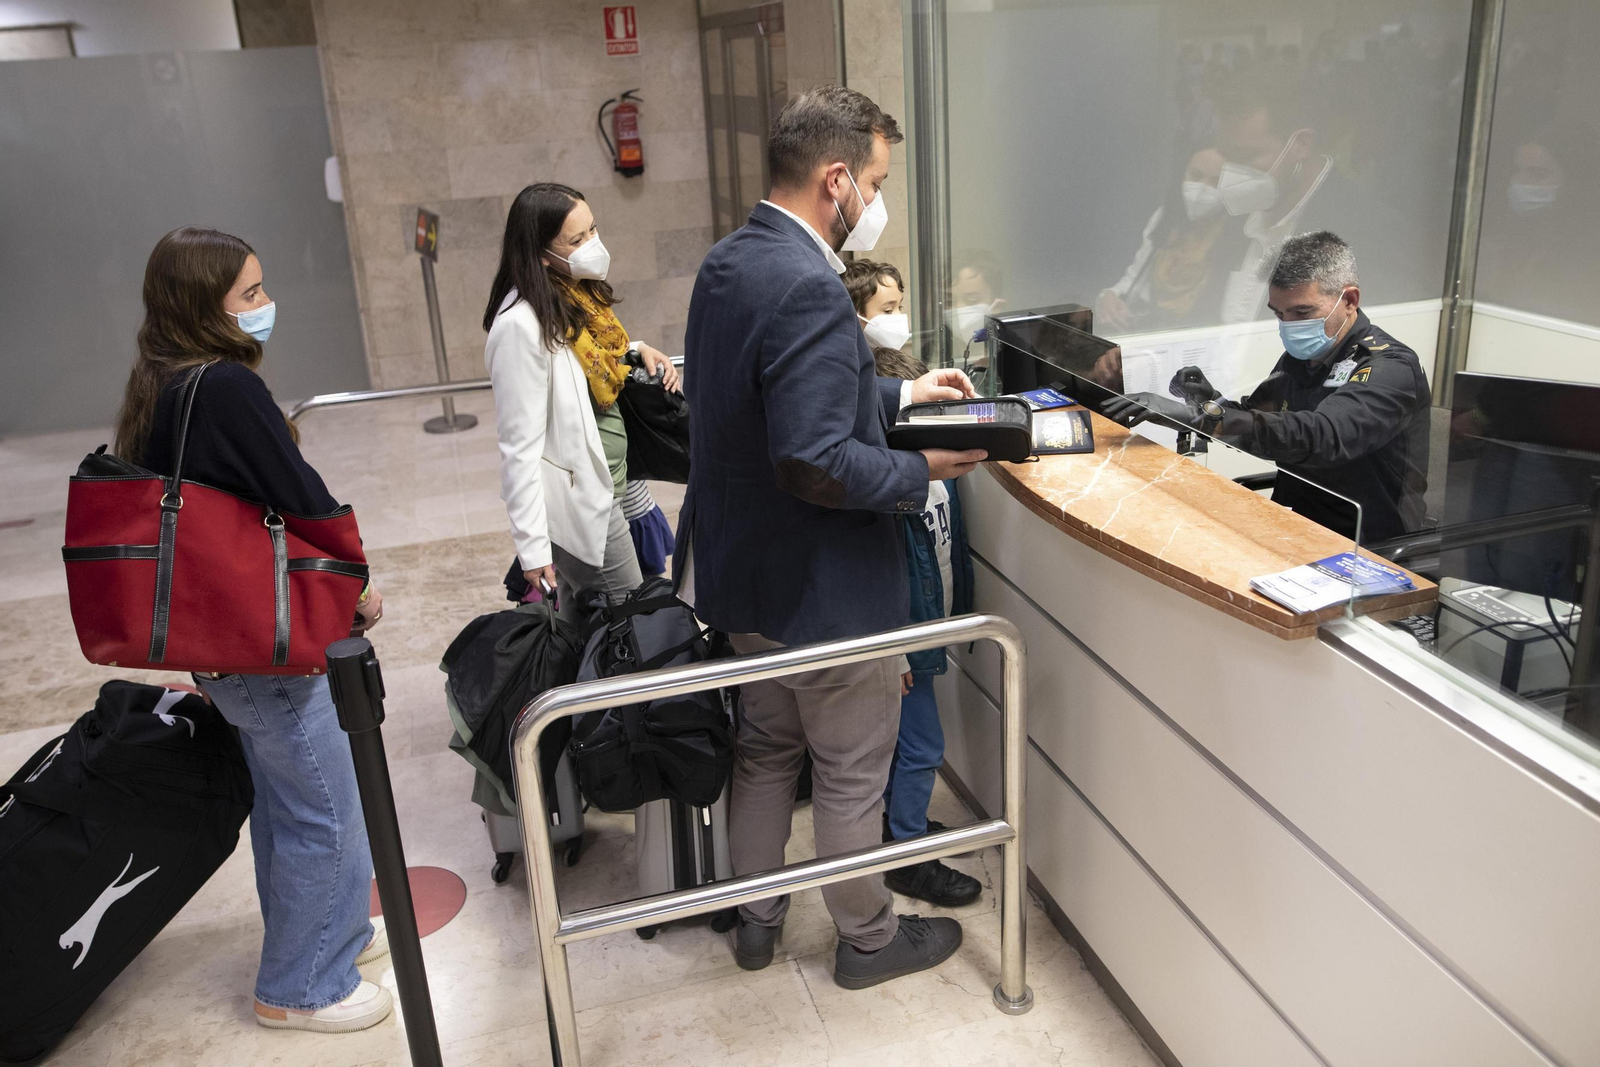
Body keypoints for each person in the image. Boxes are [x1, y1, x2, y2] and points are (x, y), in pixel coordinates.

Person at [673, 85, 987, 989]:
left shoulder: (732, 260)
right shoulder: (811, 284)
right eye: (877, 182)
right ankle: (869, 938)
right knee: (851, 770)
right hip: (822, 591)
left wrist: (900, 395)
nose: (877, 205)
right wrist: (921, 471)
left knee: (766, 750)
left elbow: (762, 395)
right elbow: (813, 459)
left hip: (745, 580)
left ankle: (758, 922)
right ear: (837, 178)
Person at [112, 227, 391, 1033]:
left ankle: (326, 938)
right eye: (250, 294)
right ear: (205, 305)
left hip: (221, 641)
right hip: (263, 641)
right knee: (325, 805)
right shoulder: (224, 387)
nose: (266, 307)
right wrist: (356, 582)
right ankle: (303, 985)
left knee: (285, 797)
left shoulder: (159, 381)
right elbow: (298, 493)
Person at [1104, 231, 1429, 543]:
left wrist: (1204, 417)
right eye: (1280, 314)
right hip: (1298, 525)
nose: (1289, 326)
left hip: (1368, 544)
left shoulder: (1389, 368)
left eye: (1303, 312)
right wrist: (1209, 401)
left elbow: (1322, 436)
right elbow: (1262, 418)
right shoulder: (1304, 357)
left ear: (1349, 300)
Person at [843, 268, 982, 909]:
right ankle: (904, 854)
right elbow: (884, 571)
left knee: (910, 744)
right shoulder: (891, 491)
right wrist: (895, 650)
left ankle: (903, 828)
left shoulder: (935, 479)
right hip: (902, 638)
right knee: (922, 743)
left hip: (928, 626)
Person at [482, 182, 680, 617]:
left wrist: (636, 350)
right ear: (539, 253)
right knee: (635, 620)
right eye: (577, 240)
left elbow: (585, 363)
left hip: (612, 486)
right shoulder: (520, 326)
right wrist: (532, 548)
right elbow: (519, 449)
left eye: (592, 230)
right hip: (585, 506)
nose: (593, 245)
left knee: (584, 626)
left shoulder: (574, 294)